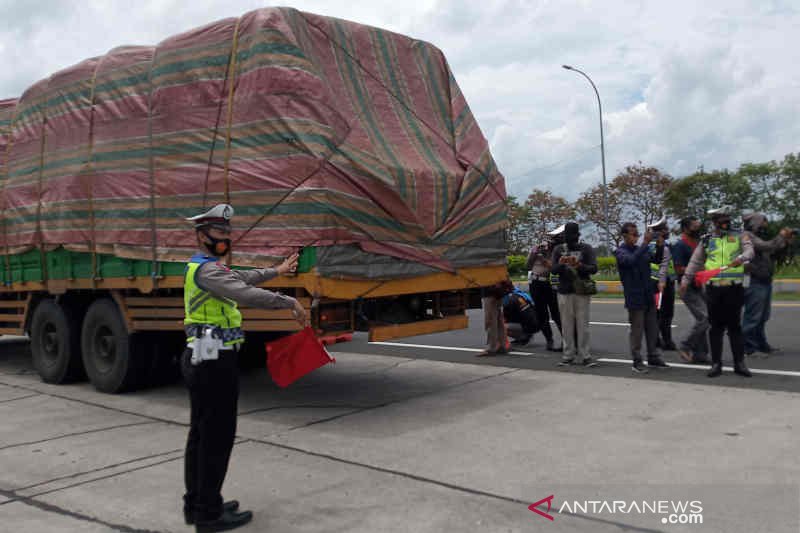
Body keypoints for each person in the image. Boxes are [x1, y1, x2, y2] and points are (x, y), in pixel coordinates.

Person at [181, 204, 306, 532]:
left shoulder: (205, 267)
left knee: (201, 434)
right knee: (216, 437)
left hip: (204, 356)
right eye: (218, 234)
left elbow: (242, 277)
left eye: (227, 234)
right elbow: (245, 292)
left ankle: (198, 504)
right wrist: (288, 301)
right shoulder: (207, 271)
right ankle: (209, 514)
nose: (224, 239)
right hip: (213, 360)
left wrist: (277, 270)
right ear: (200, 236)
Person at [680, 206, 754, 378]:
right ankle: (716, 364)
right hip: (713, 291)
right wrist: (685, 281)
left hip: (734, 288)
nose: (726, 224)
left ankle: (739, 363)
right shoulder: (706, 240)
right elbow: (695, 262)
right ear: (715, 223)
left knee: (735, 327)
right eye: (722, 221)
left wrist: (742, 258)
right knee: (716, 329)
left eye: (728, 220)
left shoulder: (740, 235)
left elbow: (750, 251)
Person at [615, 222, 670, 373]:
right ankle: (637, 360)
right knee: (637, 331)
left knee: (652, 329)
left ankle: (653, 356)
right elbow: (630, 261)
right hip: (634, 297)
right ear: (625, 236)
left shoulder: (640, 250)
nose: (637, 237)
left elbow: (656, 260)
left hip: (648, 295)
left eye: (637, 234)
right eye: (634, 234)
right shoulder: (621, 252)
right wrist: (645, 243)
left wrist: (659, 246)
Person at [741, 213, 793, 356]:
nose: (766, 225)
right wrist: (781, 236)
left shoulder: (758, 236)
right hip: (754, 281)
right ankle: (748, 348)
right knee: (753, 316)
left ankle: (761, 344)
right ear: (755, 222)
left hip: (764, 281)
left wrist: (786, 242)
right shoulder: (747, 236)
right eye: (763, 222)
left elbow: (772, 251)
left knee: (763, 316)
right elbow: (766, 246)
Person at [551, 222, 597, 366]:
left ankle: (585, 355)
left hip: (581, 291)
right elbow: (553, 270)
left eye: (572, 236)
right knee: (566, 325)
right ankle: (568, 355)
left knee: (583, 325)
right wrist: (561, 263)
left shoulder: (586, 248)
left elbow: (594, 268)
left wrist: (579, 265)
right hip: (564, 291)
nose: (569, 239)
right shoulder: (559, 249)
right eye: (567, 236)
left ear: (577, 236)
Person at [671, 216, 710, 364]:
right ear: (686, 228)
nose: (698, 229)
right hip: (687, 287)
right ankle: (685, 345)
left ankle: (700, 353)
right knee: (705, 317)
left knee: (704, 319)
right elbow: (678, 268)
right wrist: (697, 270)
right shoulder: (680, 245)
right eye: (694, 227)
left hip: (699, 285)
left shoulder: (698, 243)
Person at [526, 234, 562, 351]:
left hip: (550, 284)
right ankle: (549, 340)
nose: (546, 246)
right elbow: (527, 266)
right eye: (545, 243)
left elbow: (554, 268)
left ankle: (566, 339)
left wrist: (543, 259)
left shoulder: (556, 252)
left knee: (556, 313)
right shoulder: (536, 251)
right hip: (535, 283)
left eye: (549, 243)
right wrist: (534, 253)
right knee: (541, 314)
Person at [647, 216, 677, 351]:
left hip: (660, 283)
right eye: (666, 229)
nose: (668, 231)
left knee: (659, 314)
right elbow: (663, 266)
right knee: (665, 314)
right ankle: (666, 341)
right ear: (660, 232)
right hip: (660, 284)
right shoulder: (661, 246)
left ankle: (658, 340)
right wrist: (662, 281)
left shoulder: (653, 245)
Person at [477, 279, 513, 357]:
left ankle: (492, 347)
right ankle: (501, 345)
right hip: (497, 292)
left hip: (490, 292)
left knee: (490, 320)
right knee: (498, 320)